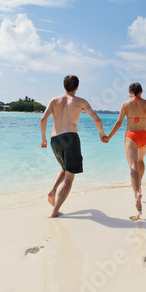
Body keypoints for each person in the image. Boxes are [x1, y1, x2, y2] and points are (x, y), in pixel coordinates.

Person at [41, 75, 107, 218]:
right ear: (77, 87)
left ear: (64, 86)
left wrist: (43, 138)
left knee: (65, 168)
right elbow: (96, 118)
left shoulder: (54, 100)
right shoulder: (80, 101)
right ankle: (55, 211)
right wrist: (101, 134)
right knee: (69, 177)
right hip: (70, 137)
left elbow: (43, 118)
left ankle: (52, 190)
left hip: (54, 139)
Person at [104, 82, 146, 215]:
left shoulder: (125, 104)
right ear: (141, 92)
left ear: (130, 92)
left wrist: (109, 137)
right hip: (145, 137)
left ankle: (136, 193)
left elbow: (119, 123)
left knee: (133, 166)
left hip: (131, 136)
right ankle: (139, 185)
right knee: (140, 161)